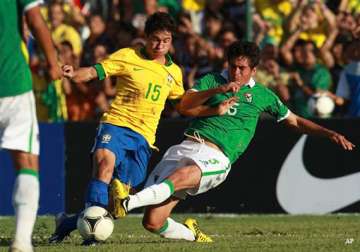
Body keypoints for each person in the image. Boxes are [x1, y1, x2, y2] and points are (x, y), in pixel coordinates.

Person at [117, 41, 355, 242]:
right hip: (187, 145)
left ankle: (127, 203)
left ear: (253, 70)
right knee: (152, 222)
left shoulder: (263, 96)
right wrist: (218, 90)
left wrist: (329, 133)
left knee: (180, 177)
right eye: (233, 67)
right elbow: (184, 105)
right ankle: (192, 234)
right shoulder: (211, 81)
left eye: (242, 68)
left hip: (217, 156)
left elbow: (295, 121)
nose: (236, 73)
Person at [49, 12, 186, 244]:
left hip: (144, 139)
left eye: (166, 40)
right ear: (146, 36)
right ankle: (91, 239)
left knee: (118, 205)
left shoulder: (174, 73)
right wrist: (75, 73)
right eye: (155, 39)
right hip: (117, 124)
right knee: (104, 167)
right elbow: (95, 71)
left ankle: (68, 223)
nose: (160, 45)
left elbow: (183, 104)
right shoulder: (128, 56)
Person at [0, 1, 62, 251]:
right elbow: (35, 18)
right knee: (26, 162)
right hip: (12, 80)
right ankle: (22, 241)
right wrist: (53, 62)